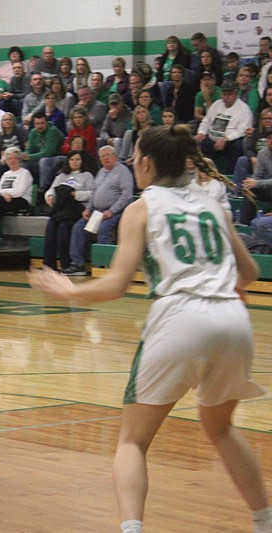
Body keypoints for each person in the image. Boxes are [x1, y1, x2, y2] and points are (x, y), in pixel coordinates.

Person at [28, 124, 272, 533]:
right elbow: (248, 272)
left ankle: (131, 529)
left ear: (145, 163)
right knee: (222, 428)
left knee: (133, 441)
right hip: (233, 321)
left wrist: (68, 288)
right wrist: (218, 288)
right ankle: (264, 521)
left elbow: (117, 284)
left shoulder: (142, 208)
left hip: (180, 318)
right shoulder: (214, 203)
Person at [64, 145, 134, 276]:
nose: (106, 158)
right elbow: (95, 192)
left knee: (104, 229)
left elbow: (127, 196)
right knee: (78, 228)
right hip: (96, 211)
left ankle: (104, 265)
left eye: (108, 155)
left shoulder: (123, 172)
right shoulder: (101, 171)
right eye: (103, 156)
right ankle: (78, 265)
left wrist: (112, 211)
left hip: (115, 211)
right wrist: (88, 208)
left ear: (115, 156)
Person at [42, 151, 95, 270]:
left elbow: (91, 194)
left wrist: (75, 194)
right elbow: (51, 190)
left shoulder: (87, 175)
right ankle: (49, 265)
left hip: (75, 207)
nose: (75, 162)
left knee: (63, 229)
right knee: (50, 228)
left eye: (77, 159)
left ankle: (66, 264)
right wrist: (49, 197)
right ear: (68, 161)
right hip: (60, 207)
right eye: (72, 159)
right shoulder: (61, 176)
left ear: (81, 161)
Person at [196, 80, 254, 173]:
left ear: (235, 94)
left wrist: (226, 139)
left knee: (237, 146)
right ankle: (204, 173)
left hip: (230, 142)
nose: (226, 97)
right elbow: (206, 120)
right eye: (224, 94)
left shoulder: (244, 109)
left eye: (229, 94)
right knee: (199, 143)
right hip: (212, 139)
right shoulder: (217, 104)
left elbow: (243, 130)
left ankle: (230, 174)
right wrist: (201, 132)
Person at [0, 147, 34, 236]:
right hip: (4, 199)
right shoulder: (6, 174)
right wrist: (4, 195)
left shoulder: (24, 173)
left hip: (21, 200)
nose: (12, 161)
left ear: (19, 160)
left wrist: (5, 194)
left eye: (14, 158)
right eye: (9, 159)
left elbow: (19, 191)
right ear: (6, 161)